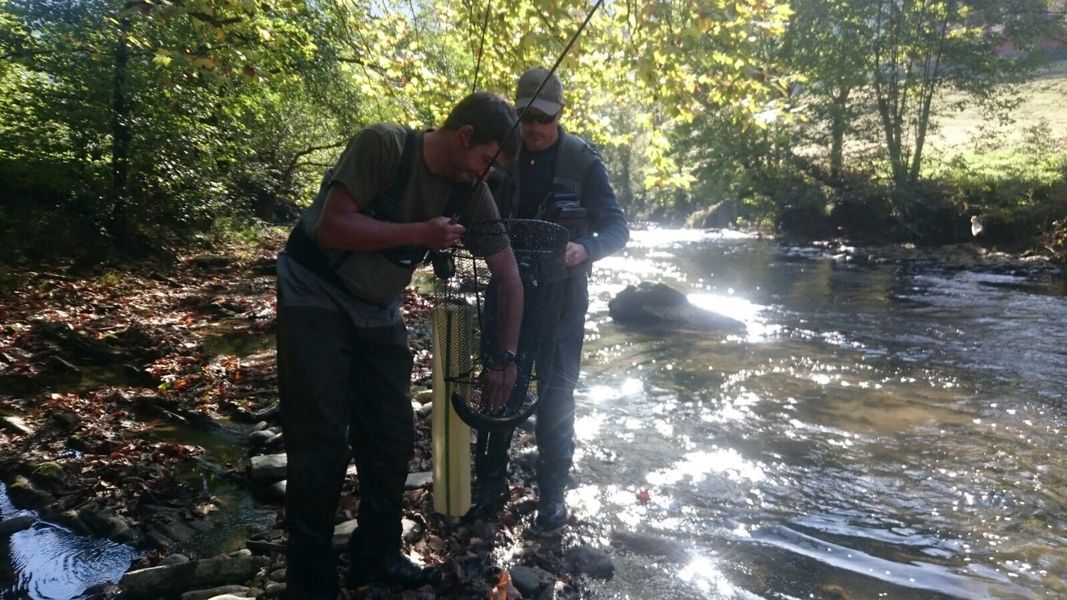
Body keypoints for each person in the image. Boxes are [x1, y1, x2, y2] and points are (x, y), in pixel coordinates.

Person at [275, 92, 524, 599]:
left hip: (377, 306)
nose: (487, 176)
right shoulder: (384, 145)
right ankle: (310, 581)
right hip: (314, 288)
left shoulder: (472, 190)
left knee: (391, 436)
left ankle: (377, 555)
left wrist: (506, 358)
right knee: (320, 440)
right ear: (465, 137)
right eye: (485, 162)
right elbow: (331, 226)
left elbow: (509, 274)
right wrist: (421, 232)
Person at [469, 68, 629, 531]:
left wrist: (587, 249)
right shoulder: (501, 154)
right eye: (526, 116)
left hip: (564, 300)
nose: (535, 127)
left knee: (558, 395)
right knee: (500, 386)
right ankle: (489, 488)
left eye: (544, 117)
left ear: (561, 113)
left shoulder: (583, 160)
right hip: (506, 291)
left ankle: (552, 497)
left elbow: (618, 228)